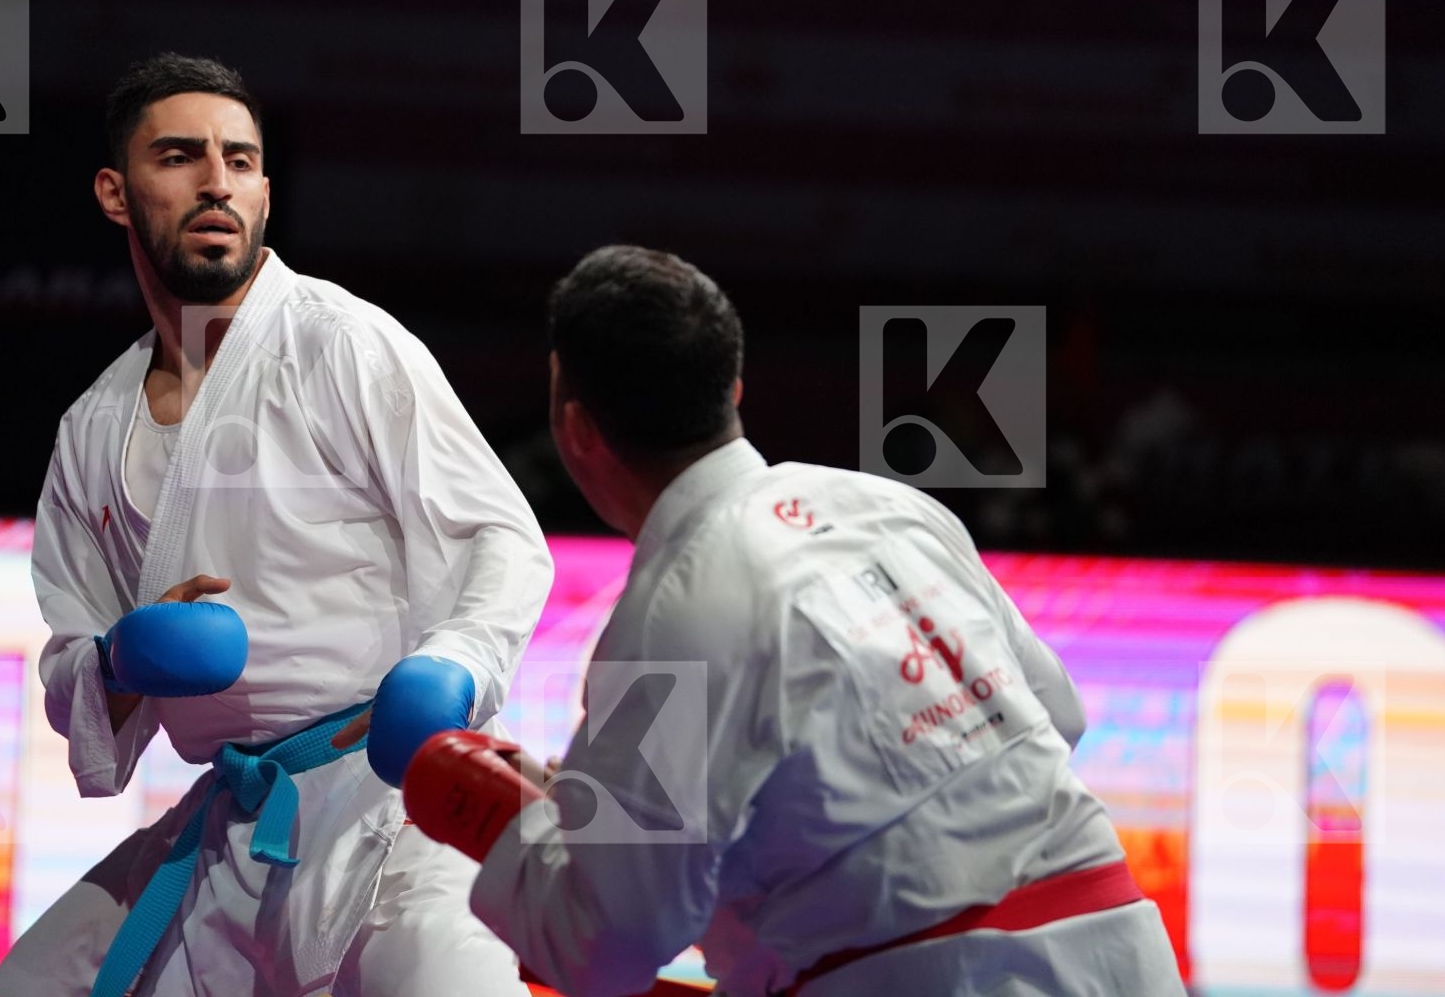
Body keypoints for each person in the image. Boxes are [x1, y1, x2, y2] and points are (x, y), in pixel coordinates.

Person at [402, 245, 1187, 997]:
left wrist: (492, 817)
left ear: (575, 430)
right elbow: (1056, 715)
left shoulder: (672, 615)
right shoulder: (891, 506)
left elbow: (614, 941)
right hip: (1122, 955)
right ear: (734, 390)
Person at [0, 53, 551, 996]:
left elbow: (500, 536)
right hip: (228, 824)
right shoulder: (91, 429)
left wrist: (457, 662)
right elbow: (69, 672)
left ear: (266, 194)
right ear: (116, 193)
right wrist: (119, 660)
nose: (217, 183)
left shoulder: (342, 341)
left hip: (392, 806)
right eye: (181, 157)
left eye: (240, 162)